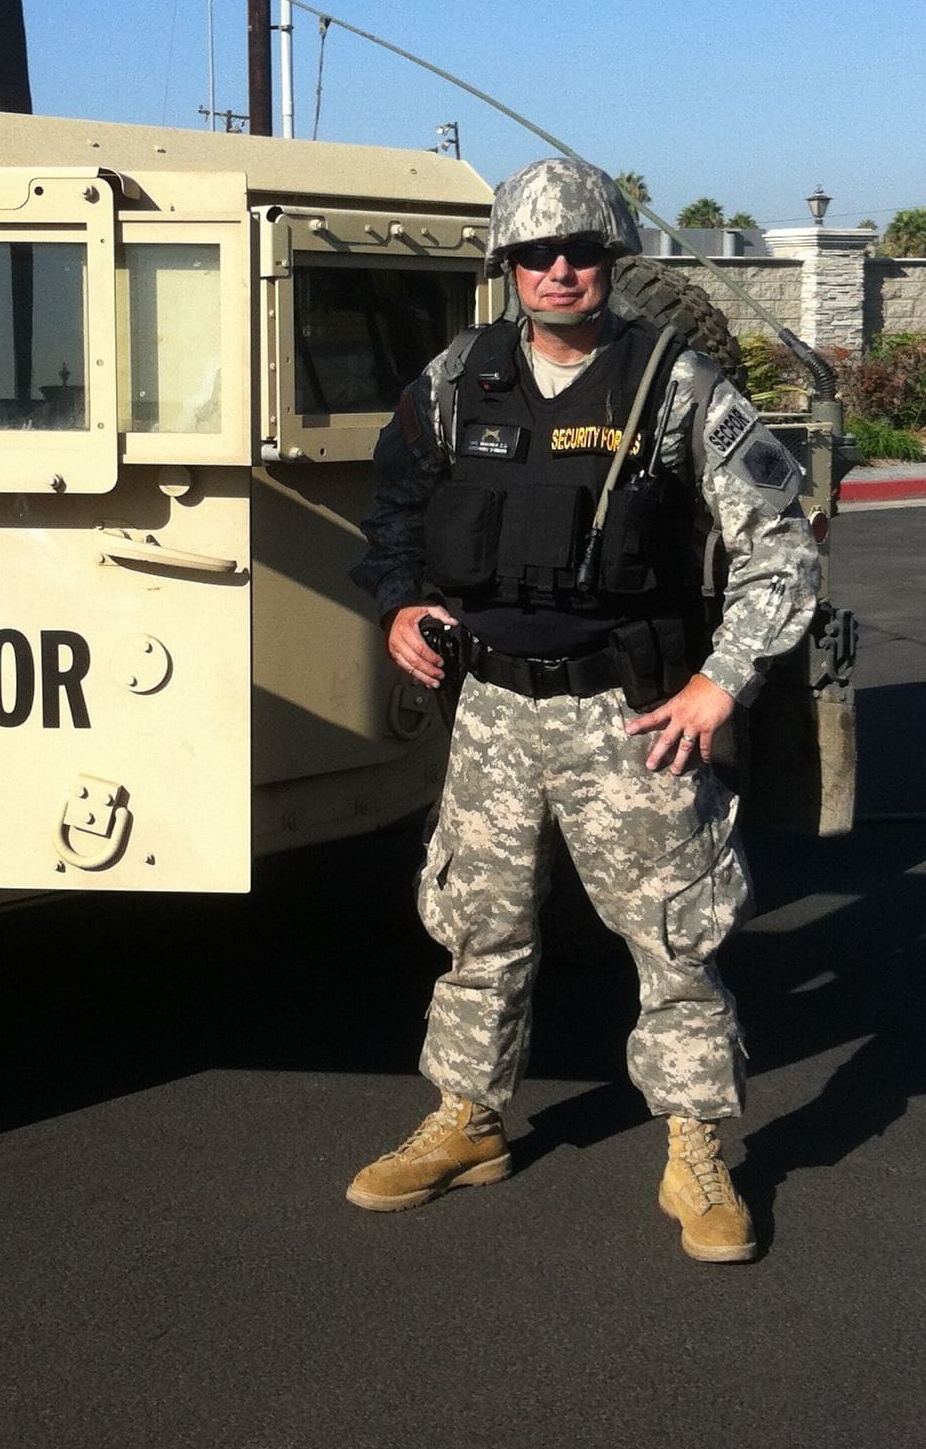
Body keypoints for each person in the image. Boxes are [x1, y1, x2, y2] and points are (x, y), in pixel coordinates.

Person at [345, 157, 820, 1263]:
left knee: (673, 942)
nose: (561, 271)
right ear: (507, 268)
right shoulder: (458, 379)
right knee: (478, 928)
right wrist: (399, 602)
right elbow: (395, 512)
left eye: (584, 253)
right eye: (537, 255)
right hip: (493, 713)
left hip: (631, 717)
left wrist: (723, 681)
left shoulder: (677, 384)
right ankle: (469, 1118)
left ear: (612, 262)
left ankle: (697, 1150)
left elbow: (781, 550)